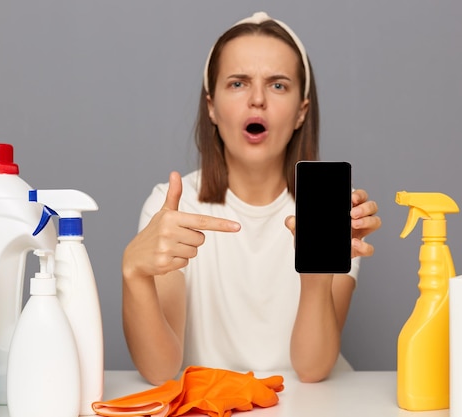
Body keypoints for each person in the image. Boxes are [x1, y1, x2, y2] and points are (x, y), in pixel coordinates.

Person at [122, 11, 381, 386]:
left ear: (300, 113)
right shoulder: (174, 208)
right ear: (211, 106)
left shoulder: (331, 209)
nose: (257, 99)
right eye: (238, 83)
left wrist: (317, 273)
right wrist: (135, 273)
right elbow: (160, 370)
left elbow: (311, 368)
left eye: (278, 86)